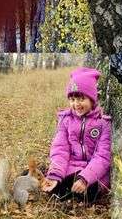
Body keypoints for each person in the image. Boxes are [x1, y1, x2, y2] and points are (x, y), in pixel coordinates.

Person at [41, 67, 111, 203]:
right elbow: (60, 149)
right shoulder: (65, 120)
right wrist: (56, 174)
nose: (76, 104)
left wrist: (85, 178)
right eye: (72, 99)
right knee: (56, 181)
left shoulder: (103, 123)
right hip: (71, 168)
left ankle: (72, 190)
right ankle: (56, 181)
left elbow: (103, 156)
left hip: (94, 173)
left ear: (92, 99)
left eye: (81, 99)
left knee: (89, 192)